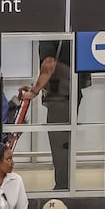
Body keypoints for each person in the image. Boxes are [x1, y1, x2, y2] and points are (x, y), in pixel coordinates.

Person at [20, 40, 92, 190]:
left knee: (59, 144)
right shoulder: (69, 34)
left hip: (60, 96)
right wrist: (36, 86)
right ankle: (65, 184)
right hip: (70, 92)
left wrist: (35, 91)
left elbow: (49, 64)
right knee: (64, 142)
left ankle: (63, 186)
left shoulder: (51, 33)